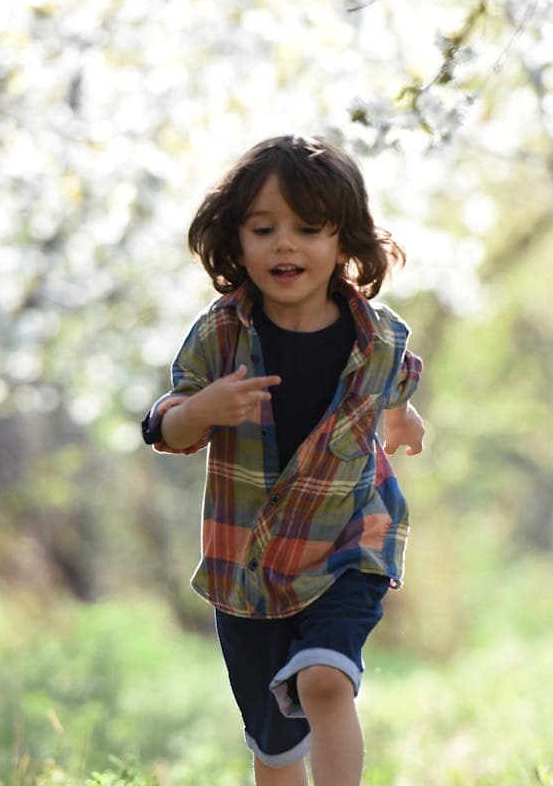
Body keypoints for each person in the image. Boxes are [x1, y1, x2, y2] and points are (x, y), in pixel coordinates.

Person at [141, 135, 425, 786]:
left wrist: (404, 420)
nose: (284, 245)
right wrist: (203, 410)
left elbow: (395, 388)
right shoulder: (221, 334)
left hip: (348, 545)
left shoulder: (380, 336)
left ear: (344, 242)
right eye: (263, 228)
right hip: (249, 568)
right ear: (235, 241)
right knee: (274, 747)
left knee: (325, 680)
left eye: (308, 228)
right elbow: (165, 426)